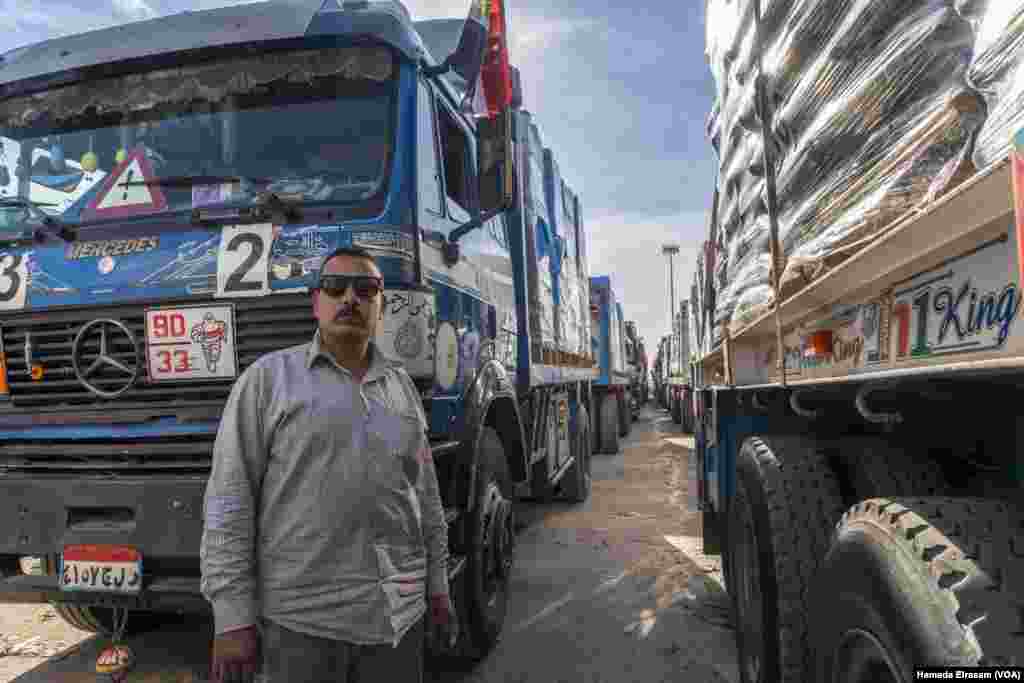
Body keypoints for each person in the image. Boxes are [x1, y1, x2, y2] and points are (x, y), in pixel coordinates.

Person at [200, 246, 454, 683]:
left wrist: (438, 587)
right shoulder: (267, 382)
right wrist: (232, 616)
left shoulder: (402, 390)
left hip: (397, 624)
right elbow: (228, 500)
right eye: (335, 287)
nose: (349, 298)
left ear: (381, 306)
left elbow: (424, 500)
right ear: (316, 302)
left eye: (366, 289)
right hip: (300, 629)